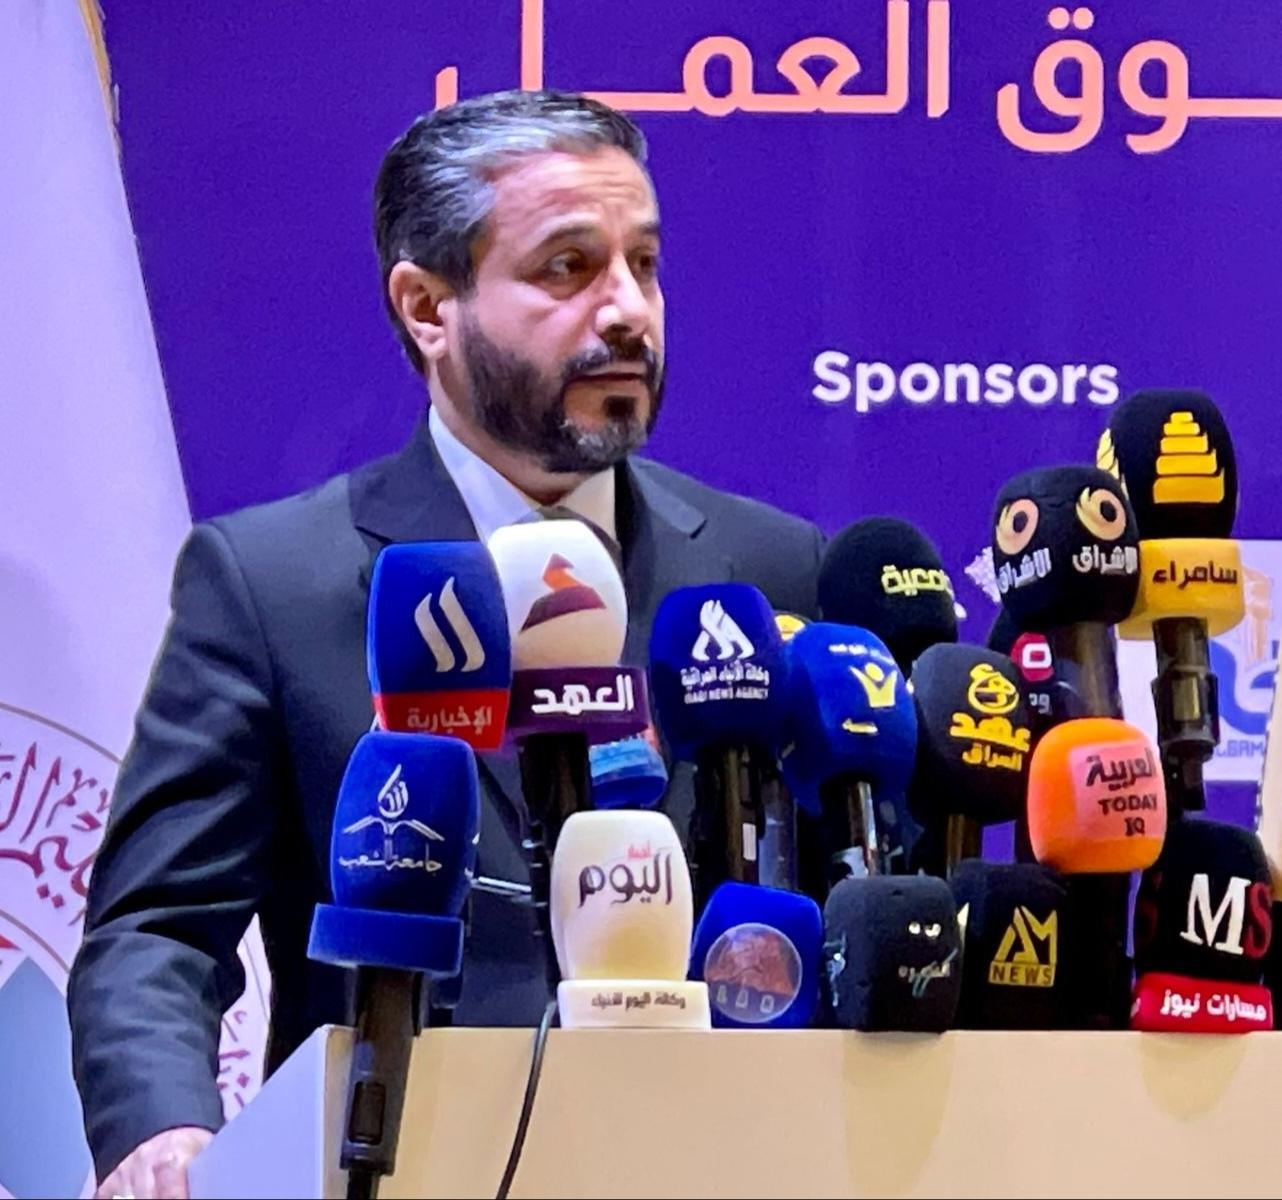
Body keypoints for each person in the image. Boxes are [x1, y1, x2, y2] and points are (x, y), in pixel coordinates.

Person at [68, 89, 824, 1199]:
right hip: (398, 1166)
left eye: (645, 265)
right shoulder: (273, 585)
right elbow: (158, 933)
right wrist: (162, 1132)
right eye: (569, 268)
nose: (628, 312)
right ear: (429, 308)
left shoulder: (771, 570)